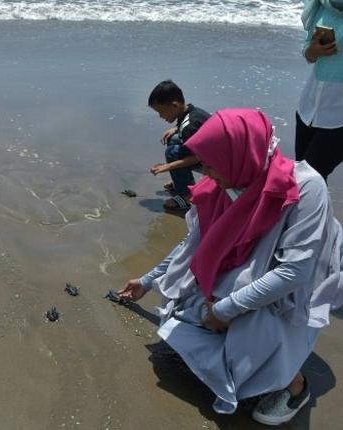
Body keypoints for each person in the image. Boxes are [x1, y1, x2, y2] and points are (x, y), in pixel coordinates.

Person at [118, 109, 343, 426]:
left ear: (238, 156)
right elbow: (192, 244)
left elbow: (295, 271)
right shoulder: (223, 183)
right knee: (185, 315)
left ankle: (295, 385)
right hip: (250, 267)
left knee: (250, 330)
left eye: (210, 164)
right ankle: (250, 352)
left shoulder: (305, 188)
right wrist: (147, 280)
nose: (205, 173)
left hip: (299, 285)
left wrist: (225, 309)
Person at [296, 0, 343, 181]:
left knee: (308, 180)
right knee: (301, 177)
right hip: (307, 109)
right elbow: (307, 50)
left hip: (338, 119)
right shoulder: (322, 5)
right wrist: (314, 51)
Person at [147, 80, 211, 211]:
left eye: (161, 111)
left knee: (172, 152)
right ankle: (182, 182)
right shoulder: (192, 112)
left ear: (174, 105)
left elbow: (198, 157)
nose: (160, 116)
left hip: (215, 161)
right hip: (210, 150)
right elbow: (191, 125)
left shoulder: (189, 127)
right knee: (174, 139)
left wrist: (167, 167)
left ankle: (187, 196)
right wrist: (176, 128)